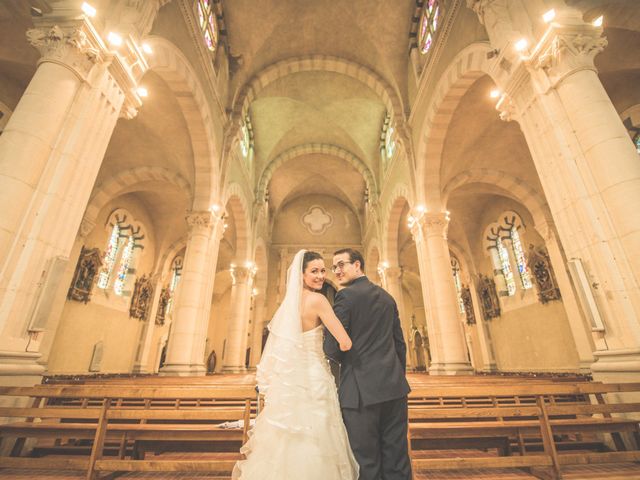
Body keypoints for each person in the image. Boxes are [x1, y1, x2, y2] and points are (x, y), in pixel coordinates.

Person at [232, 250, 359, 480]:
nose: (320, 276)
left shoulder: (287, 306)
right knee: (318, 437)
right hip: (315, 377)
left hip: (289, 381)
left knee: (286, 438)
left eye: (323, 270)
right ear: (301, 274)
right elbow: (345, 341)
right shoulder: (318, 300)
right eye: (314, 271)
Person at [324, 248, 412, 480]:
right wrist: (395, 375)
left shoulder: (346, 296)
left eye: (341, 264)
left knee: (367, 462)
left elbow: (333, 347)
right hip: (394, 389)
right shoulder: (387, 297)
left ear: (358, 265)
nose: (337, 271)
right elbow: (399, 345)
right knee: (397, 458)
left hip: (361, 392)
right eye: (335, 267)